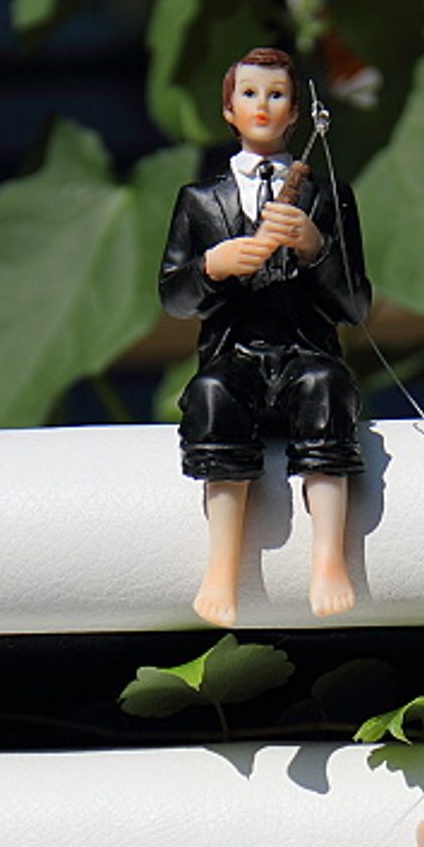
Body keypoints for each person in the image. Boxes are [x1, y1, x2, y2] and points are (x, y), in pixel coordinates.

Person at [158, 47, 370, 625]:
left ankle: (329, 560)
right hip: (236, 355)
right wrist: (213, 266)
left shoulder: (327, 198)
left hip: (304, 352)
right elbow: (174, 296)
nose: (262, 105)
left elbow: (355, 306)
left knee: (326, 387)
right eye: (249, 94)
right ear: (228, 109)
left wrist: (315, 248)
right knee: (212, 396)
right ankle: (221, 566)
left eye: (276, 95)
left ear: (296, 111)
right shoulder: (200, 201)